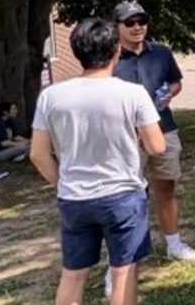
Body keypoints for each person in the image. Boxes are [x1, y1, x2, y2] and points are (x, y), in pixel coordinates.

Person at [30, 18, 166, 305]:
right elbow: (157, 146)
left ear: (77, 50)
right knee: (123, 272)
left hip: (74, 197)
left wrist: (62, 182)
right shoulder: (132, 93)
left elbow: (38, 154)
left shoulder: (51, 96)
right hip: (123, 194)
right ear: (116, 49)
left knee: (74, 273)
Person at [112, 1, 195, 261]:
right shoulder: (110, 57)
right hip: (126, 135)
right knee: (127, 196)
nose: (137, 27)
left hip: (163, 129)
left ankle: (174, 245)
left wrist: (169, 94)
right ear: (117, 27)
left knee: (166, 188)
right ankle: (124, 256)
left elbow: (176, 83)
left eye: (142, 21)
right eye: (130, 22)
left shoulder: (161, 52)